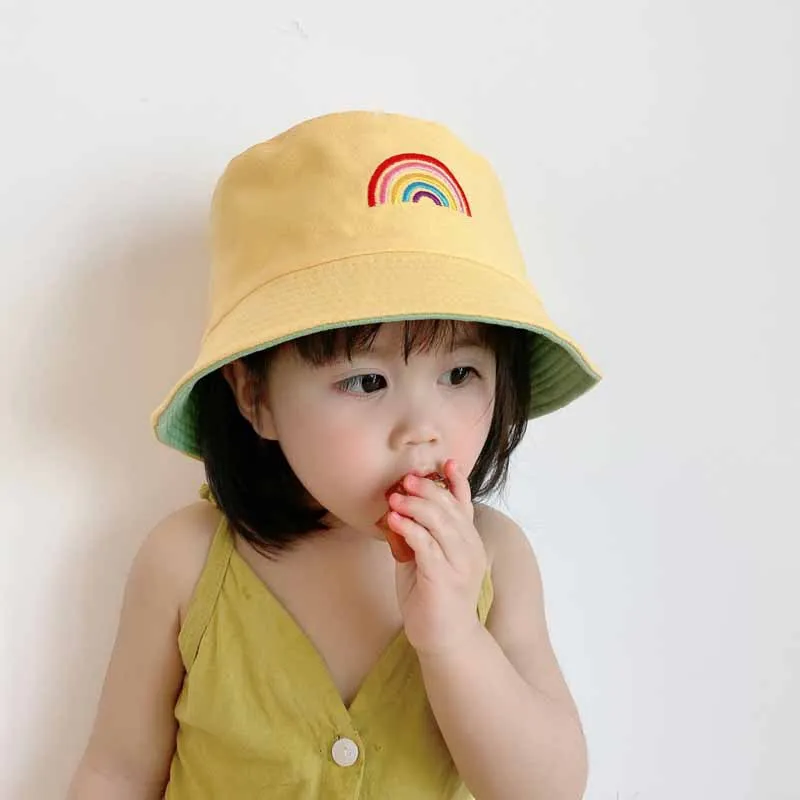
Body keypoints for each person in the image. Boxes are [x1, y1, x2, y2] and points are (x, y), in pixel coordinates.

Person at [67, 111, 603, 799]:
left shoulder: (496, 558)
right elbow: (116, 772)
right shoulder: (186, 561)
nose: (422, 430)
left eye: (459, 373)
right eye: (367, 381)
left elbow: (547, 788)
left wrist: (452, 636)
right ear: (256, 397)